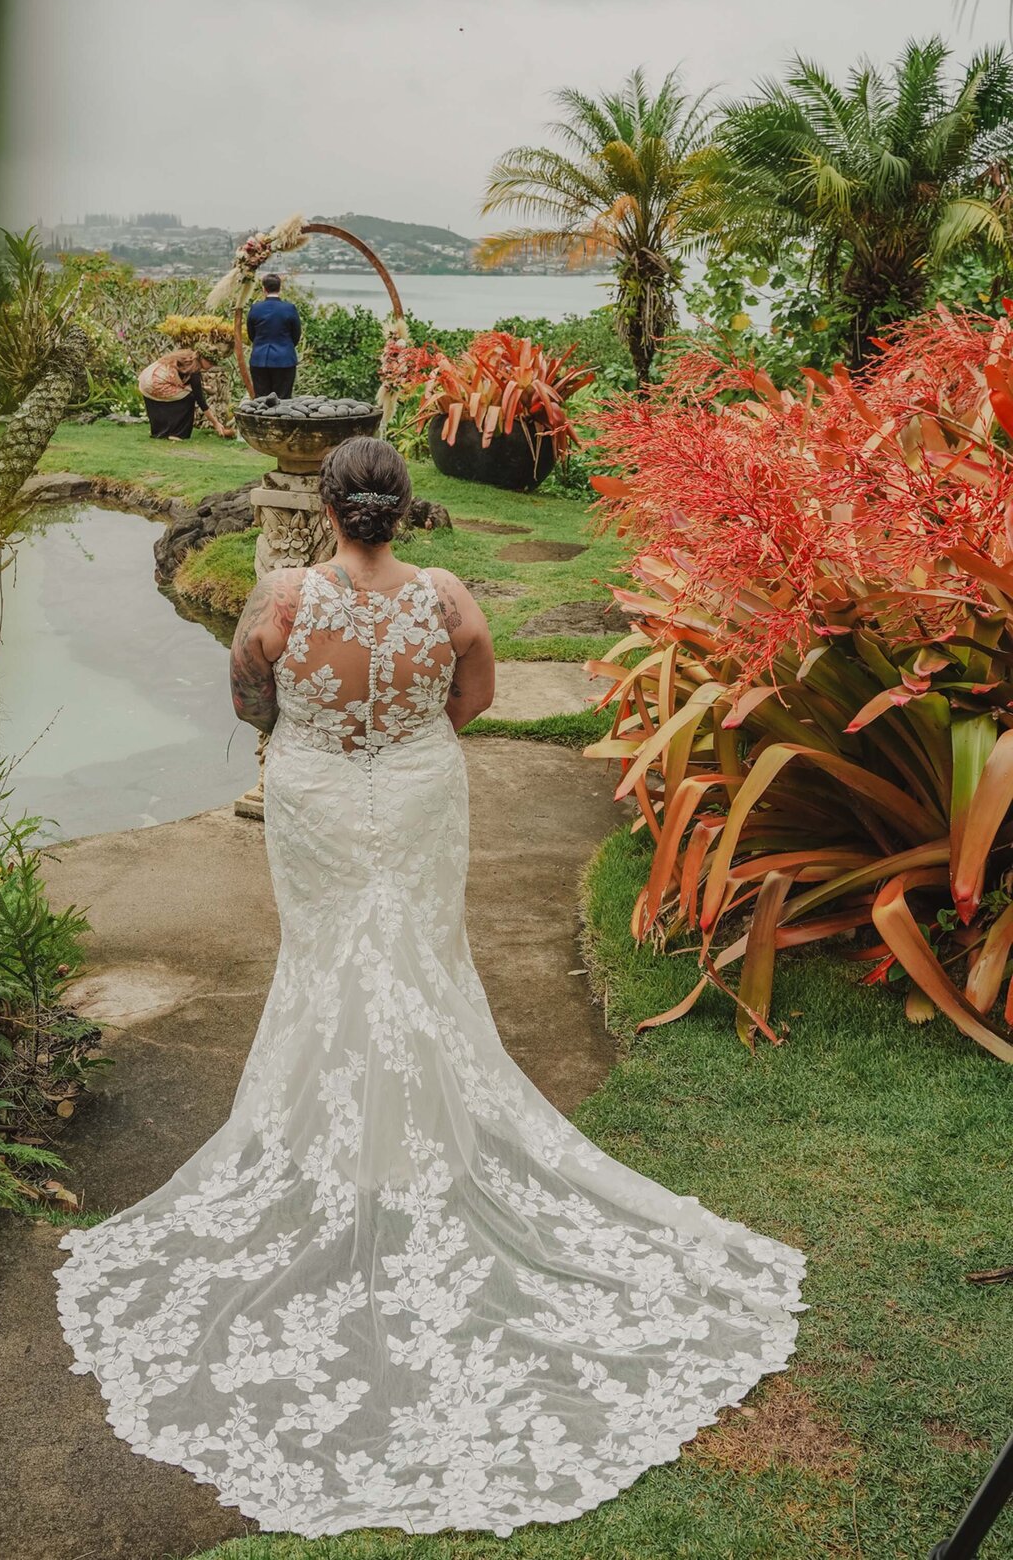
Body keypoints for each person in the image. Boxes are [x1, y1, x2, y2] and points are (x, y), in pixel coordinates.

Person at [56, 437, 806, 1538]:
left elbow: (250, 694)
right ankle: (412, 1135)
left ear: (325, 506)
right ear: (403, 511)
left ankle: (339, 1141)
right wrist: (403, 745)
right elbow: (479, 696)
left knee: (326, 959)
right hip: (415, 787)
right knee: (415, 957)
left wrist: (320, 743)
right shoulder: (447, 596)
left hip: (311, 789)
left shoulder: (278, 594)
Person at [245, 271, 301, 399]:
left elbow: (251, 334)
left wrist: (260, 344)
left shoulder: (255, 308)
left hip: (260, 359)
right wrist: (286, 346)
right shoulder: (289, 308)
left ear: (264, 289)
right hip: (284, 359)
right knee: (283, 400)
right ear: (280, 288)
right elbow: (296, 335)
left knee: (261, 400)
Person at [137, 346, 211, 440]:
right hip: (156, 382)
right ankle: (177, 433)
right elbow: (200, 399)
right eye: (211, 363)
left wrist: (203, 388)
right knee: (189, 396)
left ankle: (159, 431)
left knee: (179, 395)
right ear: (203, 359)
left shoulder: (184, 356)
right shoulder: (193, 369)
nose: (212, 366)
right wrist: (216, 424)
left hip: (146, 378)